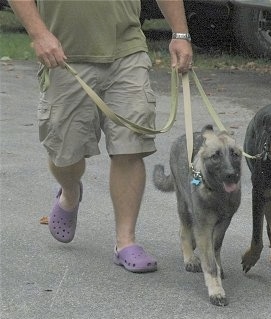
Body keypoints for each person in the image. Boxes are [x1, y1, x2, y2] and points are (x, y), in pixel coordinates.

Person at [10, 0, 193, 273]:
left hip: (127, 51)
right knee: (64, 153)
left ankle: (126, 242)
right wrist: (39, 34)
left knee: (130, 147)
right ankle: (70, 194)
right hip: (63, 54)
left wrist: (180, 34)